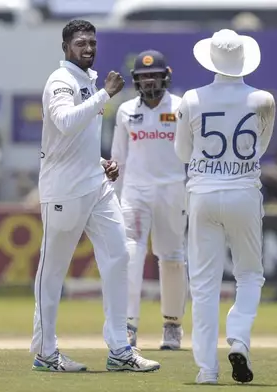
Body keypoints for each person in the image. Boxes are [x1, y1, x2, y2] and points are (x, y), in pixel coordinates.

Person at [31, 19, 160, 372]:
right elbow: (65, 122)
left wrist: (102, 161)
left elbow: (77, 140)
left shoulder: (88, 79)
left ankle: (120, 348)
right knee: (53, 271)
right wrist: (105, 94)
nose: (88, 49)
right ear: (66, 48)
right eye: (80, 44)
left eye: (91, 43)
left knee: (119, 256)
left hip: (96, 184)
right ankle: (45, 352)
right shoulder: (61, 81)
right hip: (63, 190)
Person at [174, 29, 276, 384]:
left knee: (203, 284)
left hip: (202, 193)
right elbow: (260, 148)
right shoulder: (263, 99)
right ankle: (239, 338)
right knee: (249, 274)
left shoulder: (191, 98)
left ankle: (207, 370)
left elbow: (182, 154)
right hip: (244, 192)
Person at [111, 50, 188, 350]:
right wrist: (114, 199)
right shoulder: (126, 110)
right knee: (130, 255)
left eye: (154, 75)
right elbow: (119, 158)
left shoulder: (182, 108)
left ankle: (172, 325)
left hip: (172, 190)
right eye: (143, 77)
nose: (149, 81)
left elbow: (193, 154)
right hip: (135, 191)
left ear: (166, 74)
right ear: (136, 80)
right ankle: (128, 326)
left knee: (171, 258)